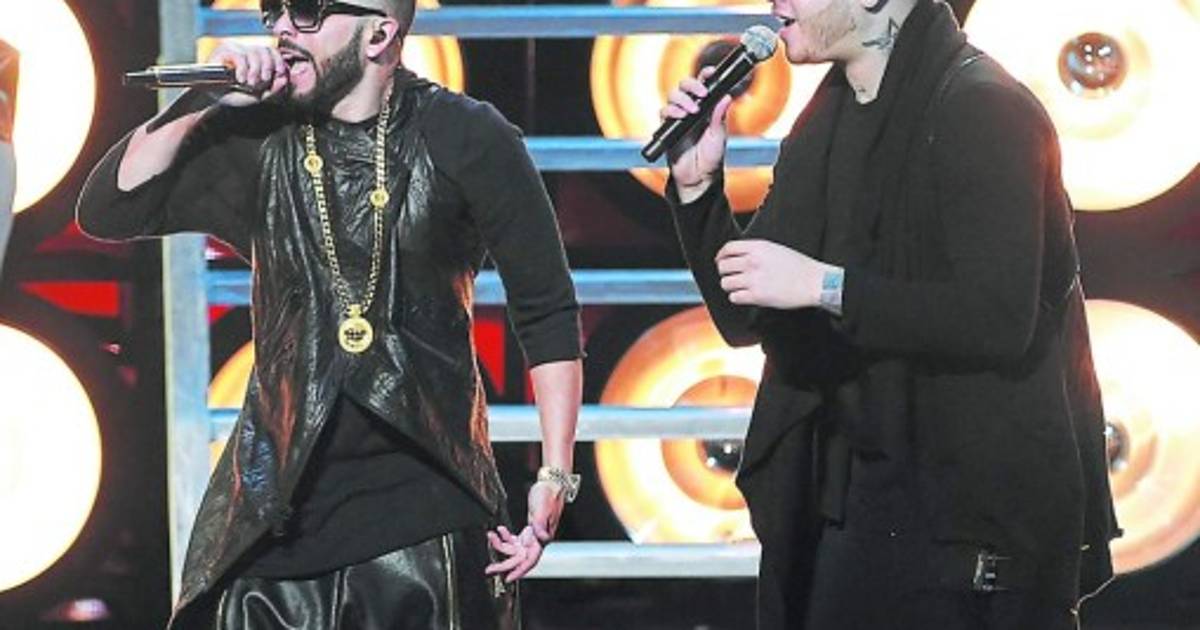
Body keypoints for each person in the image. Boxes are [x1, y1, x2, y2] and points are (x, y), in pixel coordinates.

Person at [76, 0, 583, 628]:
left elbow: (546, 307)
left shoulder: (467, 134)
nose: (283, 28)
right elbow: (109, 208)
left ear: (379, 34)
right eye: (275, 11)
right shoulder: (261, 135)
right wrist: (202, 101)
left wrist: (555, 472)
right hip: (275, 517)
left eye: (308, 11)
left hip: (424, 518)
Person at [659, 0, 1118, 628]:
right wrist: (697, 190)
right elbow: (748, 316)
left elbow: (996, 318)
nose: (776, 4)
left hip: (968, 535)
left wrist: (827, 287)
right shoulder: (826, 120)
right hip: (854, 509)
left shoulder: (985, 108)